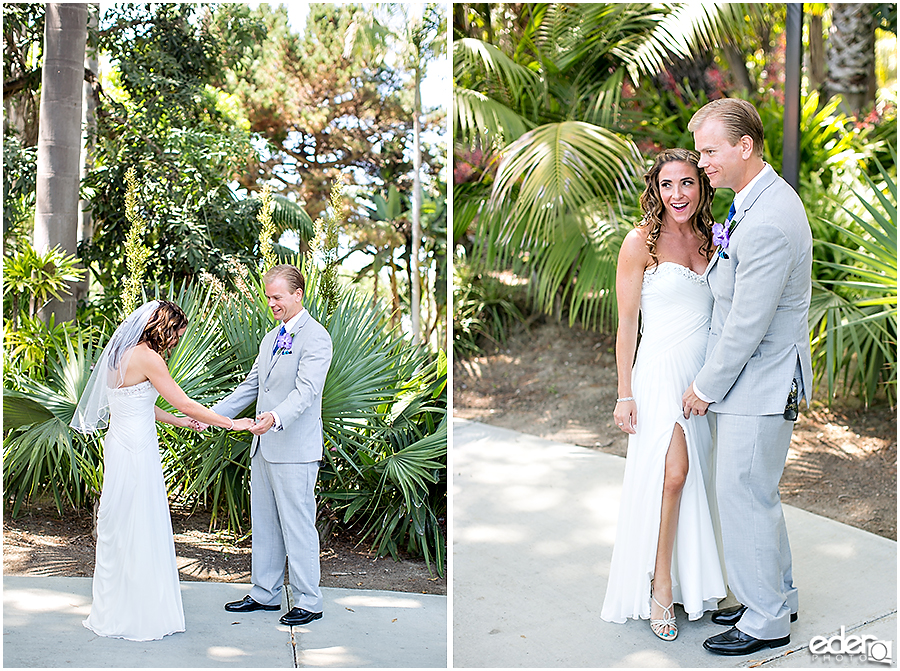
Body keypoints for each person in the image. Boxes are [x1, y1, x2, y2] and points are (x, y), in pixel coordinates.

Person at [682, 98, 812, 656]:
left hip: (758, 381)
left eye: (710, 151)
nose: (702, 161)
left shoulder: (770, 220)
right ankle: (777, 593)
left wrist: (703, 387)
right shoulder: (751, 201)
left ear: (745, 147)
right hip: (754, 377)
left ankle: (765, 620)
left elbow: (746, 326)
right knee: (756, 493)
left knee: (743, 494)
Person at [71, 300, 256, 641]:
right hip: (138, 449)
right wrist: (233, 423)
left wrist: (179, 422)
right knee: (140, 522)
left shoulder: (118, 354)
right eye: (175, 334)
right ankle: (141, 614)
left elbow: (138, 401)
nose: (175, 342)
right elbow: (183, 400)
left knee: (123, 523)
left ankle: (117, 608)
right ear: (162, 327)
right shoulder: (148, 356)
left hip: (120, 443)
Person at [601, 148, 726, 640]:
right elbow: (626, 324)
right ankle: (661, 584)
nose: (678, 195)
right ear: (655, 189)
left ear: (702, 187)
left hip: (703, 378)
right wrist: (623, 392)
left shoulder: (714, 239)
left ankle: (698, 578)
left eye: (688, 183)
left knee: (697, 481)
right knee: (674, 475)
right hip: (657, 372)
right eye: (668, 184)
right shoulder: (640, 244)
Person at [205, 264, 333, 627]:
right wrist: (211, 416)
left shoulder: (316, 337)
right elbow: (250, 387)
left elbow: (307, 392)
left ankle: (310, 599)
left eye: (277, 297)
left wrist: (274, 418)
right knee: (264, 524)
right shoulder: (270, 338)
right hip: (263, 449)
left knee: (298, 525)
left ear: (298, 295)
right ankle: (265, 594)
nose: (271, 303)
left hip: (294, 448)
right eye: (268, 297)